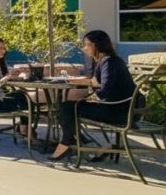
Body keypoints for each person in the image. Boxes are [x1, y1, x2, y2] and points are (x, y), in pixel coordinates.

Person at [50, 30, 137, 162]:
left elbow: (103, 90)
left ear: (98, 45)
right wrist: (79, 81)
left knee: (67, 107)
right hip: (127, 109)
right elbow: (96, 81)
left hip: (119, 111)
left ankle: (69, 141)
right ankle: (77, 139)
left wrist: (93, 84)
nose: (84, 48)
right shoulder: (109, 60)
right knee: (68, 106)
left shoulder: (108, 62)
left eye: (87, 45)